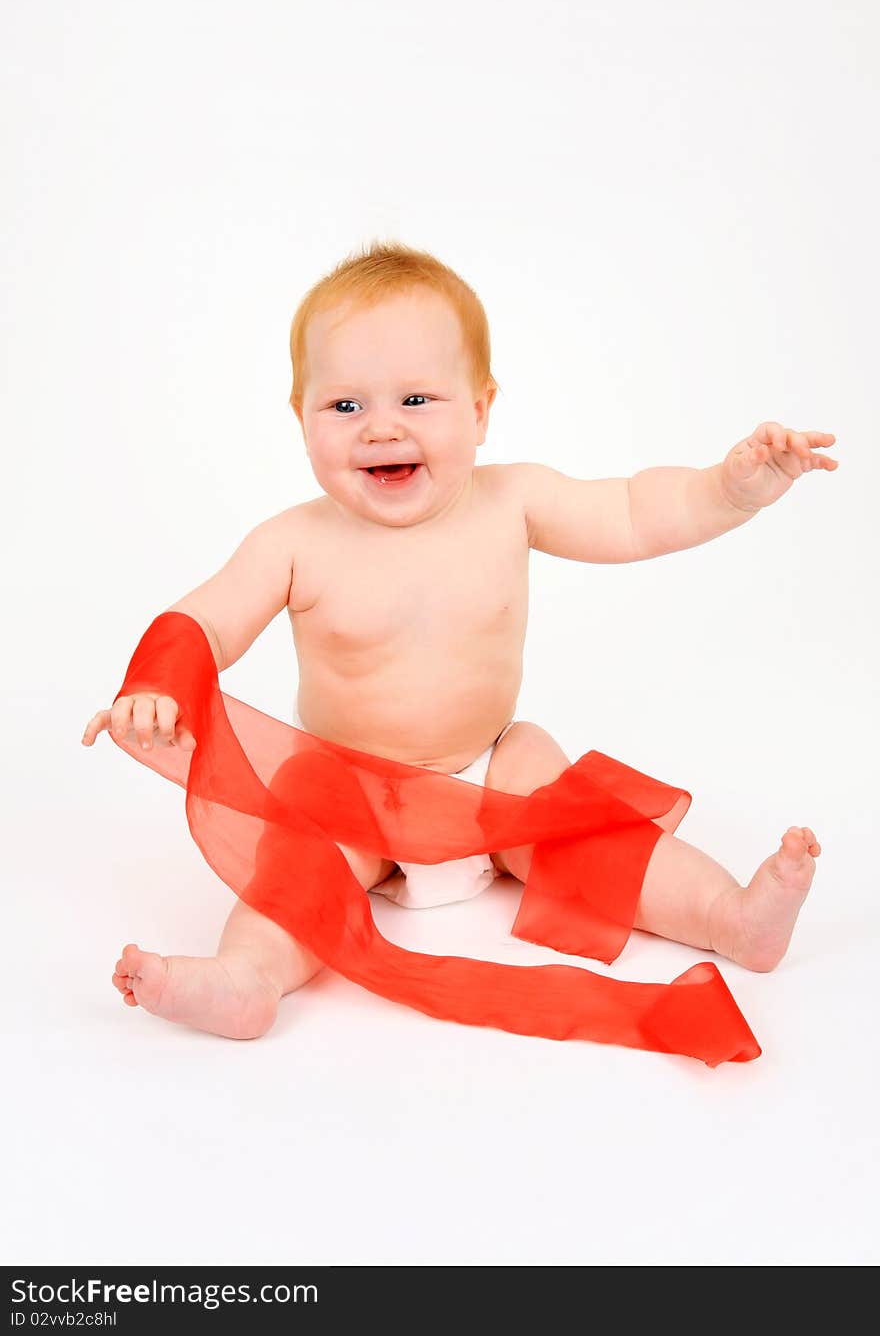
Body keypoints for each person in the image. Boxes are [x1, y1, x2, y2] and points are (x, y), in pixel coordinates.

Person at [81, 240, 837, 1042]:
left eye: (416, 400)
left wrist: (730, 490)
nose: (379, 429)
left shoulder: (512, 500)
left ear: (480, 409)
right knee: (301, 865)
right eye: (344, 407)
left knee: (588, 829)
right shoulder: (293, 542)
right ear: (299, 416)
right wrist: (156, 680)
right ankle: (249, 976)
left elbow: (635, 514)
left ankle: (730, 916)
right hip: (355, 786)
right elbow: (206, 619)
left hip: (489, 768)